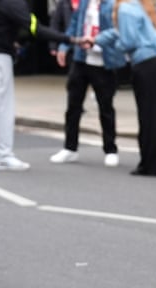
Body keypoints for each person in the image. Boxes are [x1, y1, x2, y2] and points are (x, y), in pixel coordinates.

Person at [0, 0, 82, 171]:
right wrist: (71, 39)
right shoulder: (14, 2)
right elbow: (35, 29)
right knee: (2, 104)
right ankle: (3, 156)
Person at [96, 0, 156, 176]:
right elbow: (122, 32)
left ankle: (148, 165)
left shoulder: (124, 9)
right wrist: (100, 39)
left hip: (145, 62)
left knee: (147, 115)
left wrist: (113, 46)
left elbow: (128, 41)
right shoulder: (138, 6)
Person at [51, 0, 126, 167]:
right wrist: (64, 46)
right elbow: (75, 23)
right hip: (81, 58)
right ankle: (70, 148)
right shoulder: (85, 2)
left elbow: (118, 30)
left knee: (105, 107)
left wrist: (96, 39)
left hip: (103, 61)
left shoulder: (114, 4)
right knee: (73, 105)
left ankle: (110, 149)